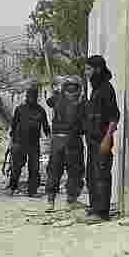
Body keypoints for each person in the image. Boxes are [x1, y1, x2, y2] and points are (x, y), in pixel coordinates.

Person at [83, 55, 119, 222]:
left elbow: (114, 117)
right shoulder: (96, 89)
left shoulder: (106, 89)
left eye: (89, 69)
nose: (86, 73)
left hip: (102, 140)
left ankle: (102, 212)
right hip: (92, 141)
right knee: (91, 175)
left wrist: (107, 139)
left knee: (102, 176)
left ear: (97, 69)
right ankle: (95, 207)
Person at [44, 77, 86, 210]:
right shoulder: (81, 102)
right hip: (72, 139)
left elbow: (49, 102)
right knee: (74, 170)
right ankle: (71, 200)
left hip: (57, 139)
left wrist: (56, 92)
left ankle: (51, 201)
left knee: (54, 169)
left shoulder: (58, 97)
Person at [7, 86, 51, 197]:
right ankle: (12, 188)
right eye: (30, 96)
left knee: (34, 168)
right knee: (16, 167)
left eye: (34, 96)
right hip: (19, 142)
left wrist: (50, 140)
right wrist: (11, 142)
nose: (31, 98)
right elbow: (13, 126)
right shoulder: (20, 109)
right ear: (26, 96)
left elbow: (46, 127)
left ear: (37, 97)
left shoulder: (41, 110)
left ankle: (32, 191)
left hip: (34, 144)